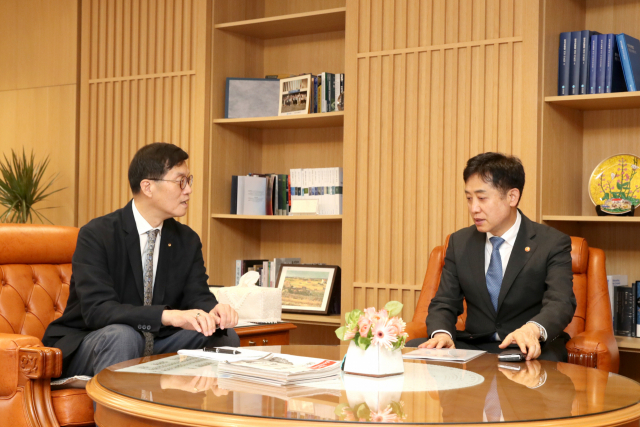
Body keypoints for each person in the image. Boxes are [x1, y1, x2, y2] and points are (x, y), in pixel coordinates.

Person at [43, 142, 240, 378]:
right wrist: (169, 316)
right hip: (93, 340)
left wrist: (214, 310)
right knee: (123, 336)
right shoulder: (97, 234)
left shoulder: (186, 240)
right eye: (180, 181)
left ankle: (186, 413)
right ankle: (117, 416)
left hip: (157, 340)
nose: (188, 190)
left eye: (189, 180)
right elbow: (99, 311)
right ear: (147, 187)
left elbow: (197, 294)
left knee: (223, 336)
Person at [407, 152, 576, 362]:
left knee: (542, 364)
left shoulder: (551, 243)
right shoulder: (460, 242)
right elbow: (445, 302)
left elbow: (561, 302)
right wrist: (442, 334)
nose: (473, 208)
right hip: (474, 343)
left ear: (512, 197)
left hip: (526, 345)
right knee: (413, 349)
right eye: (469, 198)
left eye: (482, 198)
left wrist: (532, 330)